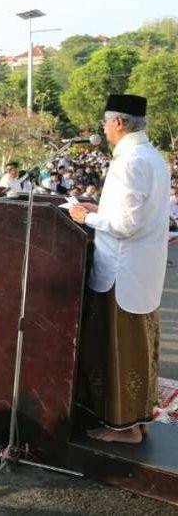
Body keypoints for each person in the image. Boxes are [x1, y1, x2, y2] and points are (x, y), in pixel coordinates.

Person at [69, 94, 169, 444]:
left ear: (120, 123)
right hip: (140, 270)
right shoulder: (152, 157)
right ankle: (137, 422)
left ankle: (124, 428)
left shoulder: (130, 162)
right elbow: (135, 213)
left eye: (105, 122)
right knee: (137, 348)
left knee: (117, 348)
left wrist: (87, 216)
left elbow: (126, 224)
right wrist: (98, 206)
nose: (103, 128)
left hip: (122, 272)